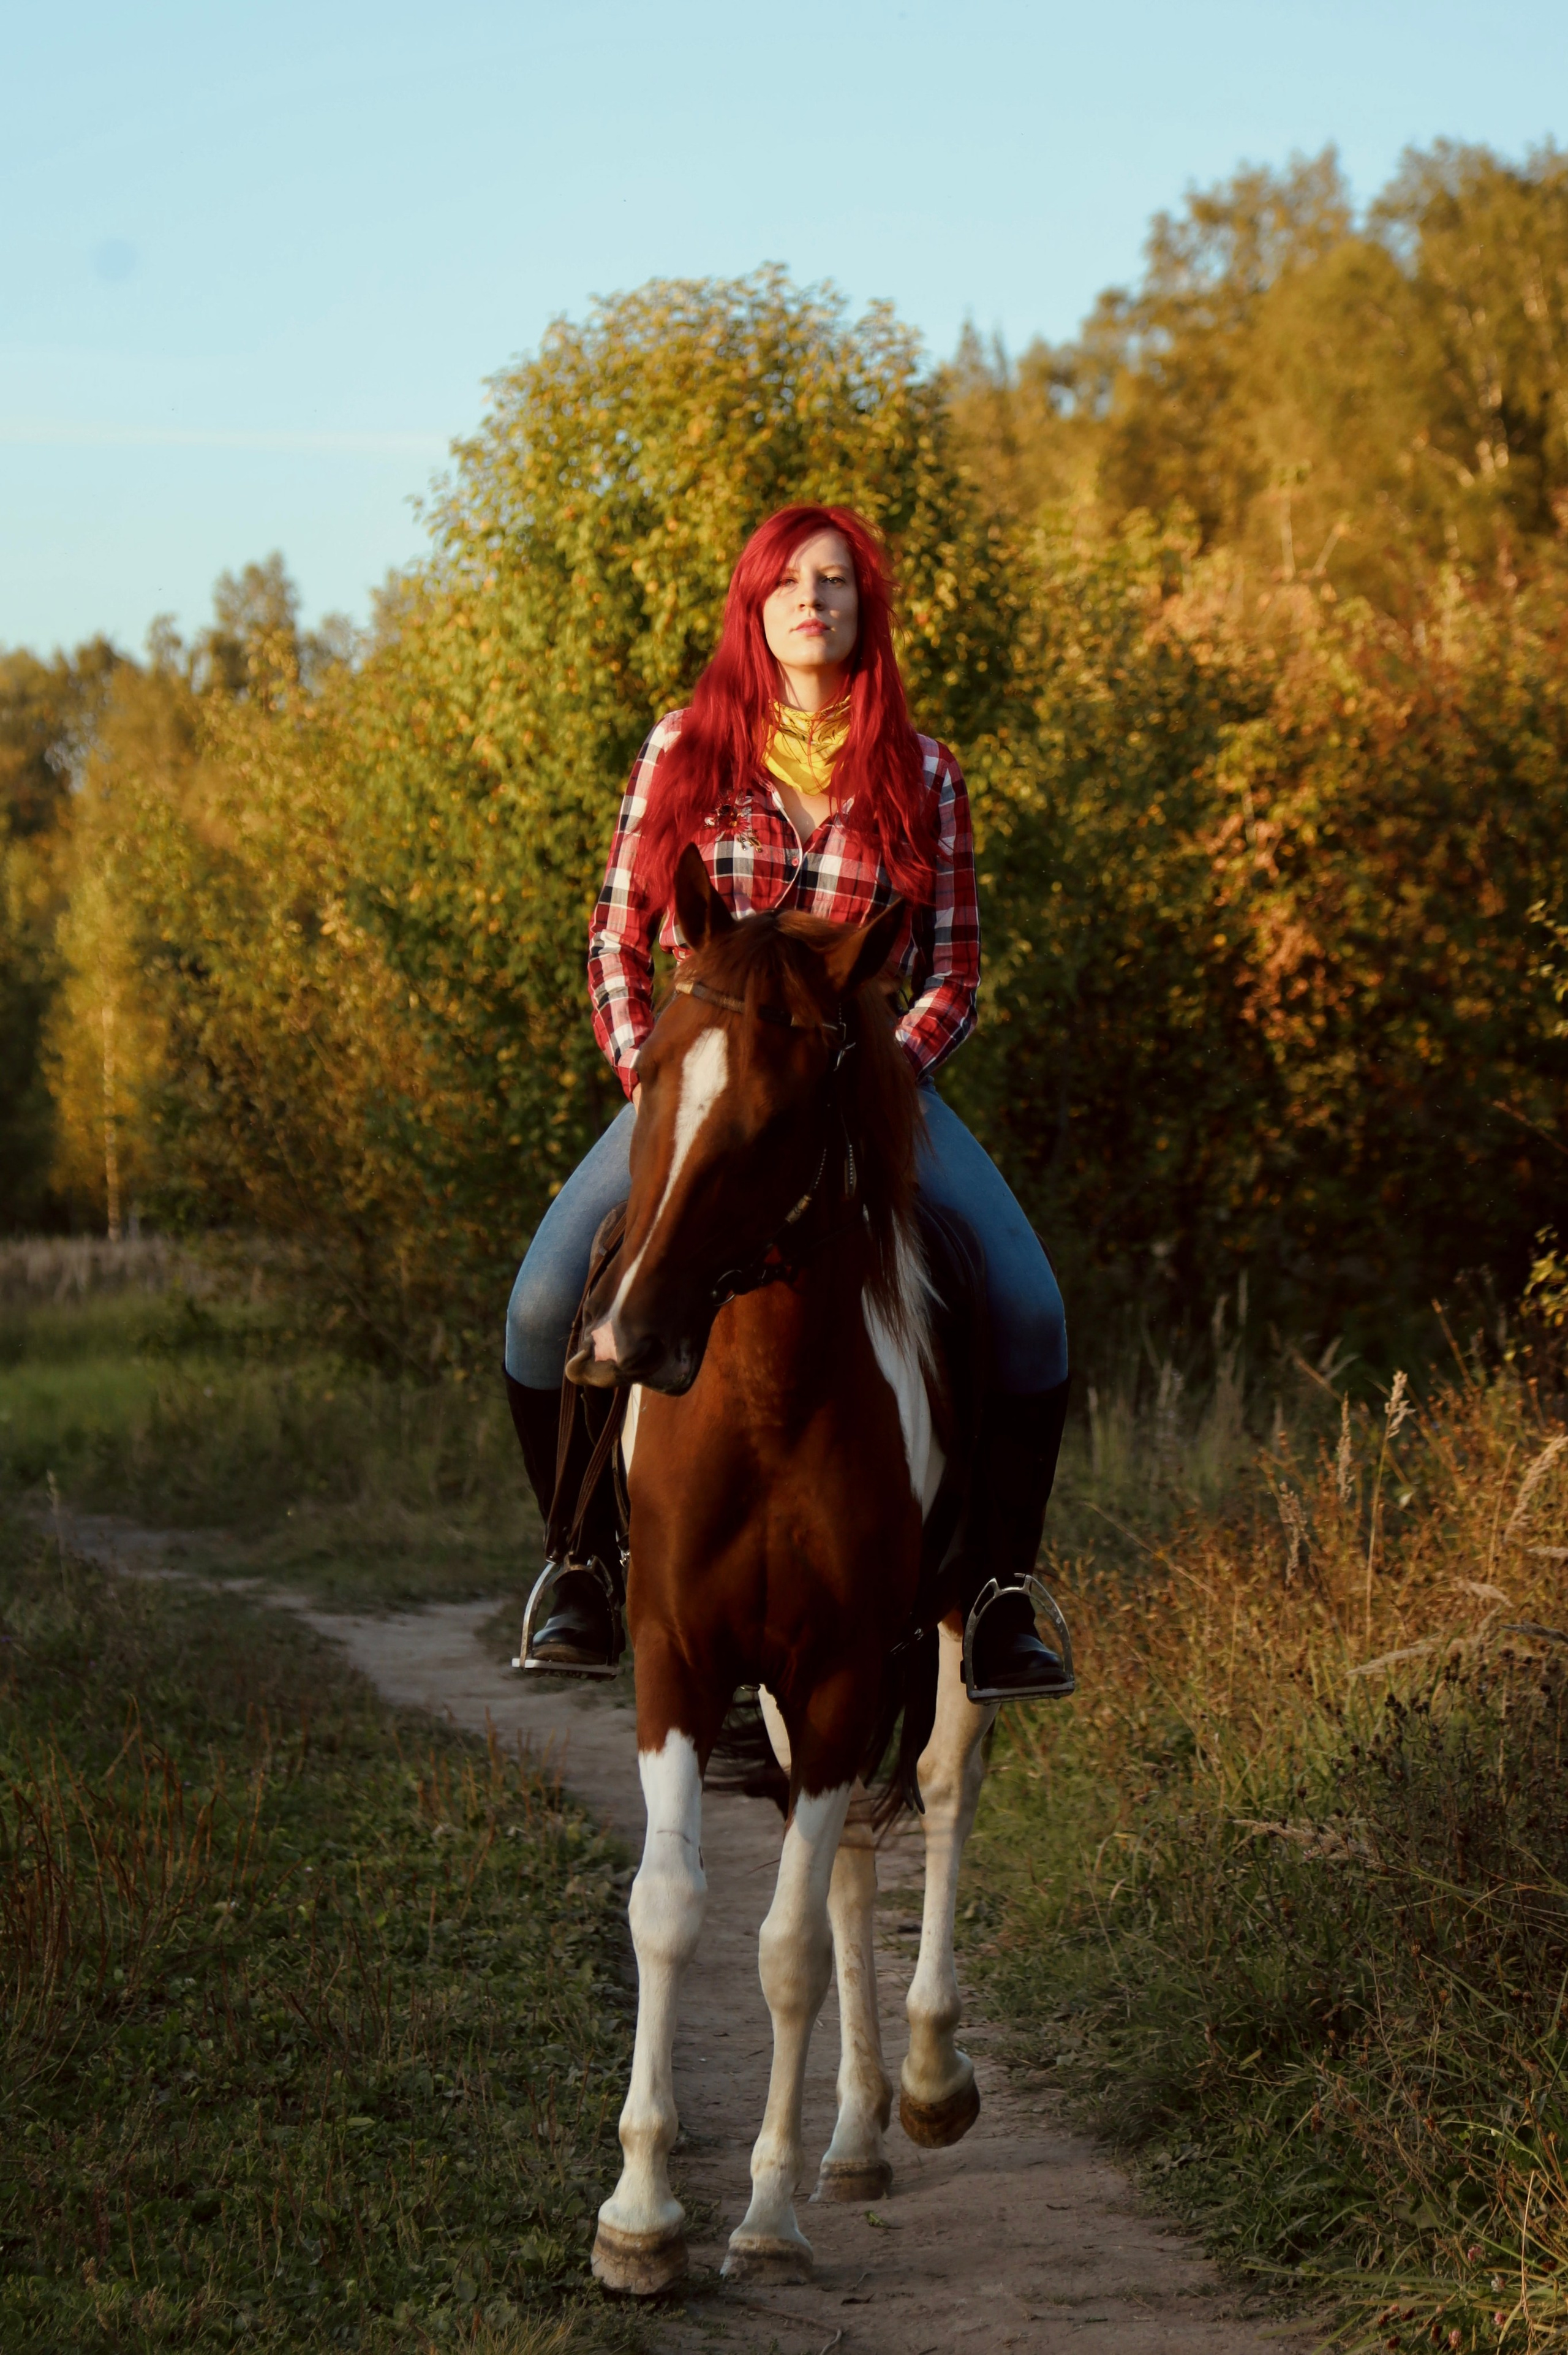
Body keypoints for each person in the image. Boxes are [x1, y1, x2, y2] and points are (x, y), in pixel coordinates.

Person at [503, 502, 1070, 1696]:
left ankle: (1000, 1590)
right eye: (786, 583)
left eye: (835, 580)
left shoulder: (925, 773)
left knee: (1026, 1305)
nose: (811, 598)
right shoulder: (678, 751)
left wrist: (876, 1083)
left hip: (866, 1091)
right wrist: (654, 1083)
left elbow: (952, 970)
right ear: (753, 610)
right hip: (700, 1090)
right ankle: (582, 1563)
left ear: (865, 607)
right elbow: (614, 940)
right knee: (543, 1295)